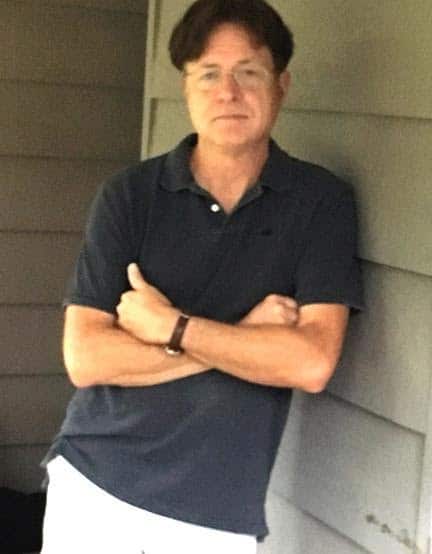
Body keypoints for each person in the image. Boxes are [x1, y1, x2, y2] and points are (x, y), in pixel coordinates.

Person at [41, 0, 363, 552]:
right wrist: (245, 335)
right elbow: (87, 358)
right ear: (186, 87)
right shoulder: (130, 196)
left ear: (281, 85)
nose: (228, 92)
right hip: (96, 484)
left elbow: (310, 363)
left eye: (249, 72)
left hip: (215, 511)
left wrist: (171, 326)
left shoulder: (319, 203)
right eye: (209, 73)